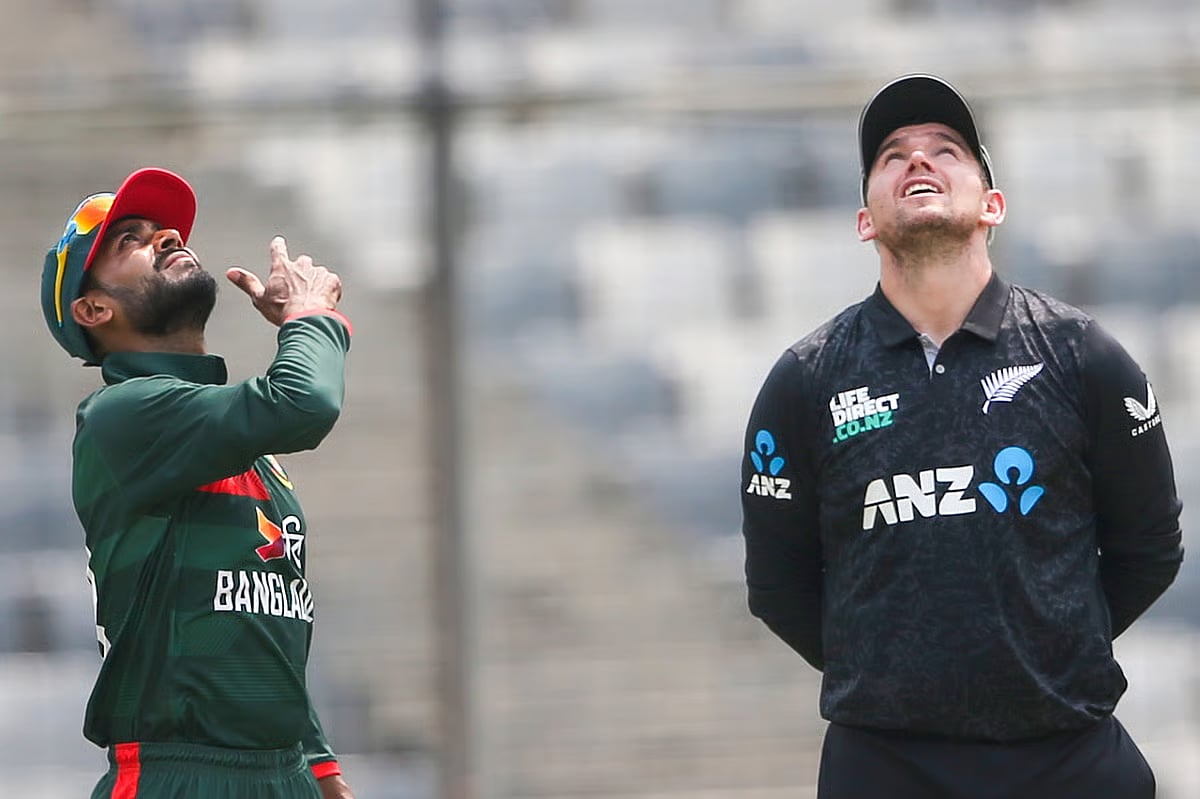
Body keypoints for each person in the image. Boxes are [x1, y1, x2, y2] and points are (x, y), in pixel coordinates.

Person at [740, 74, 1184, 799]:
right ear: (865, 220)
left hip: (1068, 757)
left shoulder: (1085, 358)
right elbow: (778, 586)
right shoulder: (805, 380)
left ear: (992, 207)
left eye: (947, 150)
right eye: (893, 156)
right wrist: (889, 672)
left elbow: (1150, 549)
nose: (918, 160)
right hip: (884, 766)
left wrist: (1045, 649)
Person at [40, 167, 357, 799]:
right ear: (93, 308)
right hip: (179, 777)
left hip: (281, 771)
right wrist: (313, 319)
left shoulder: (237, 443)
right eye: (130, 239)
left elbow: (258, 621)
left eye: (164, 229)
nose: (163, 237)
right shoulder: (124, 415)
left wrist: (318, 766)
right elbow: (305, 402)